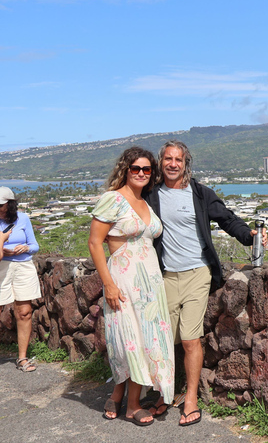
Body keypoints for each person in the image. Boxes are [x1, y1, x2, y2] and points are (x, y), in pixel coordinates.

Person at [145, 140, 265, 427]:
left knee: (189, 338)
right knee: (165, 339)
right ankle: (164, 393)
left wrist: (250, 236)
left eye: (179, 159)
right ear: (161, 163)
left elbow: (227, 219)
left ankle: (191, 399)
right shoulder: (151, 194)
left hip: (197, 273)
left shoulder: (199, 194)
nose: (173, 164)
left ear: (187, 163)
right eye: (168, 159)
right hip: (164, 275)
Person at [88, 147, 174, 426]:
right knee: (130, 341)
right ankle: (132, 405)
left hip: (150, 283)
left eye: (146, 169)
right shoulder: (113, 199)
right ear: (125, 169)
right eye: (135, 168)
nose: (140, 173)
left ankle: (117, 394)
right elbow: (94, 243)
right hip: (123, 281)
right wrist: (109, 285)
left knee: (146, 340)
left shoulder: (145, 201)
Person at [0, 186, 41, 372]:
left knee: (24, 311)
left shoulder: (23, 218)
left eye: (2, 205)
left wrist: (26, 248)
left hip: (23, 266)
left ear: (11, 204)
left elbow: (34, 245)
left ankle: (22, 358)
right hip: (2, 266)